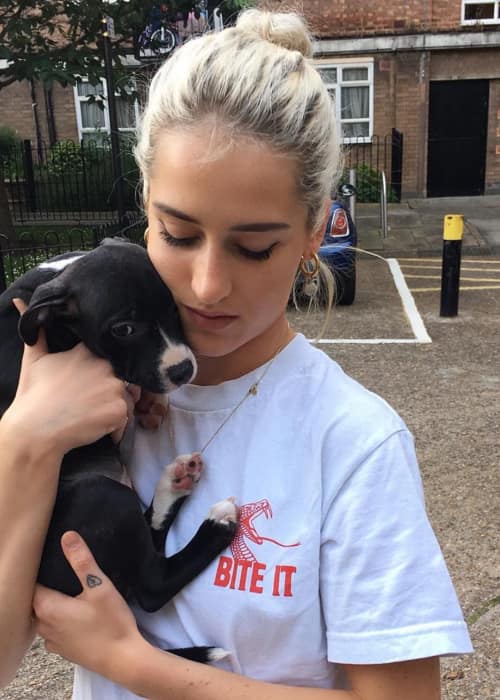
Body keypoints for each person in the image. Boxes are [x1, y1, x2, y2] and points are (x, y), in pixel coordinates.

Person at [0, 9, 472, 700]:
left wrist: (137, 667)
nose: (208, 284)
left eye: (255, 247)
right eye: (178, 234)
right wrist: (24, 444)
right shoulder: (72, 359)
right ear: (145, 202)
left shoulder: (351, 444)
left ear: (315, 230)